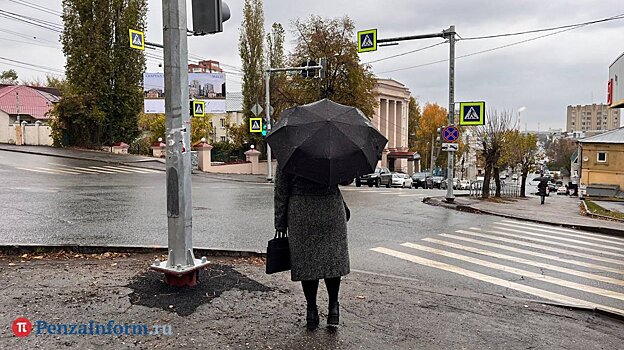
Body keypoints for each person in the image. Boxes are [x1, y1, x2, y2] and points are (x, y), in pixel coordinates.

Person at [274, 167, 350, 330]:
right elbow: (346, 180)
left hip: (301, 212)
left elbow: (281, 189)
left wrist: (280, 223)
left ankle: (311, 311)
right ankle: (333, 308)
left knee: (307, 263)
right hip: (331, 209)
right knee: (333, 261)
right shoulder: (332, 147)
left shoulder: (291, 150)